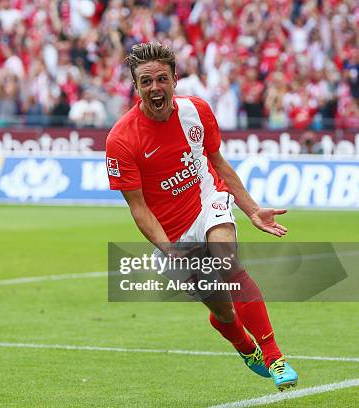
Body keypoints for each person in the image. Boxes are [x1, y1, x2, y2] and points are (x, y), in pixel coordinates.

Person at [105, 42, 298, 391]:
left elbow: (219, 163)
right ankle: (243, 345)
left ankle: (274, 356)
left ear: (175, 79)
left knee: (228, 265)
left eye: (161, 79)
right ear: (136, 88)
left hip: (208, 201)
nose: (155, 88)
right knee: (224, 312)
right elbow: (138, 207)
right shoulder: (121, 138)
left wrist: (252, 209)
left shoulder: (197, 111)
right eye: (146, 82)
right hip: (171, 232)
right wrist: (168, 248)